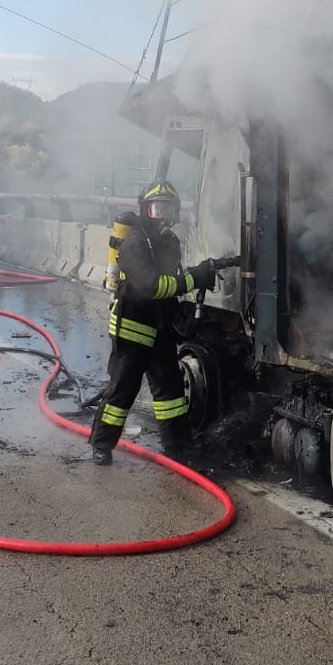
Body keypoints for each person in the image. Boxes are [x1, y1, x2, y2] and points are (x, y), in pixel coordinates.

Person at [88, 180, 236, 466]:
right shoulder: (133, 244)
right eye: (158, 209)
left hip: (160, 328)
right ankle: (101, 445)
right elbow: (153, 286)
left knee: (170, 393)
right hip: (132, 330)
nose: (165, 215)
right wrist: (194, 278)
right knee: (122, 391)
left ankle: (177, 446)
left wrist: (188, 293)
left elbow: (171, 284)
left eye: (170, 208)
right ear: (146, 210)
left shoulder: (170, 243)